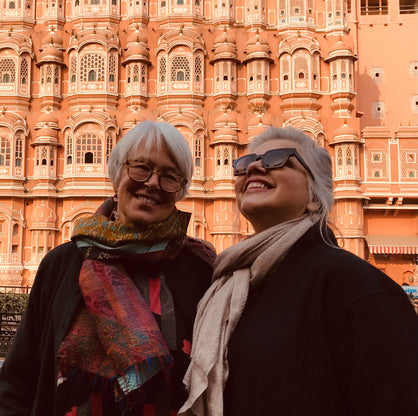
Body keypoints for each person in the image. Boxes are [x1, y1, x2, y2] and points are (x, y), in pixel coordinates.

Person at [180, 126, 418, 416]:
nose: (254, 166)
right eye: (244, 163)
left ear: (315, 196)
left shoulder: (349, 282)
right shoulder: (229, 285)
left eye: (278, 159)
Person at [0, 121, 215, 416]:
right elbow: (19, 379)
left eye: (169, 177)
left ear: (179, 190)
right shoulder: (64, 264)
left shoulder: (199, 271)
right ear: (118, 174)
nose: (152, 183)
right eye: (141, 168)